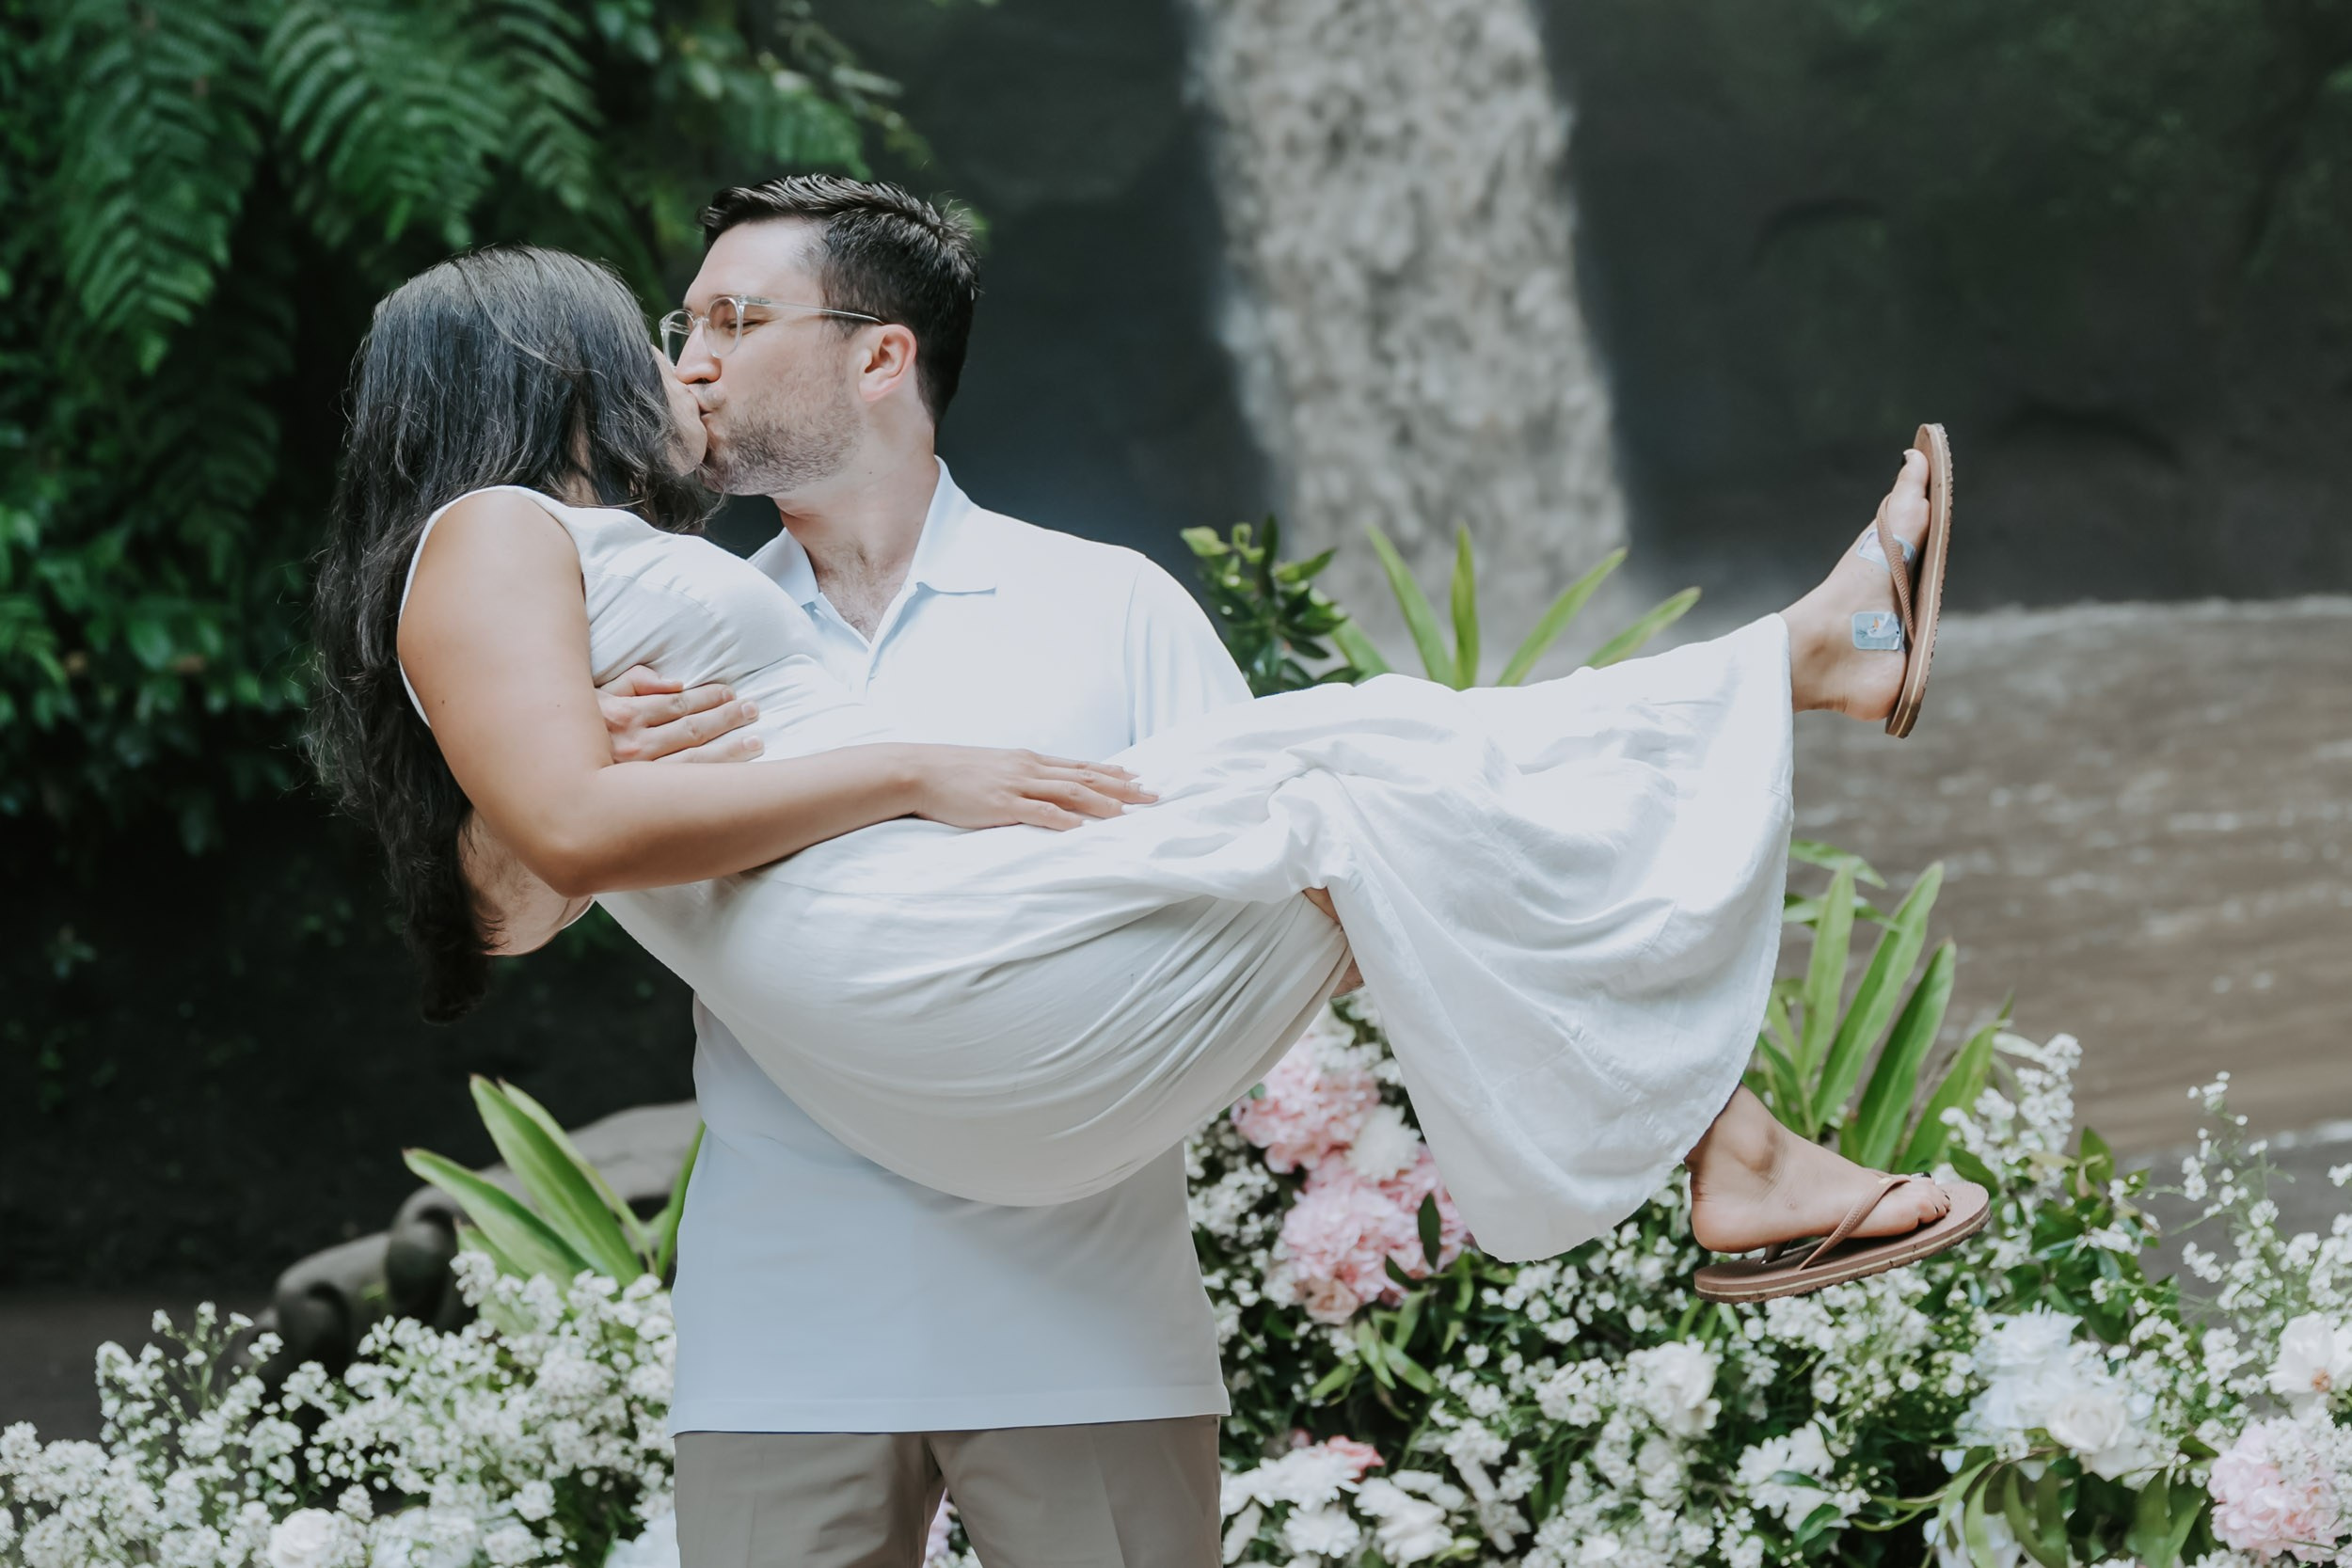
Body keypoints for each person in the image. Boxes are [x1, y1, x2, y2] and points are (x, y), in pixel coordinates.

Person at [310, 218, 1976, 1559]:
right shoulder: (573, 572)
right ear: (558, 366)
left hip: (1069, 1258)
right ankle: (1797, 704)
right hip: (801, 1288)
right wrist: (888, 769)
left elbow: (1285, 907)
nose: (691, 361)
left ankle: (1778, 839)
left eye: (731, 323)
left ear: (878, 356)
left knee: (1348, 771)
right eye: (666, 330)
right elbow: (524, 889)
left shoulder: (1099, 604)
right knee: (1350, 759)